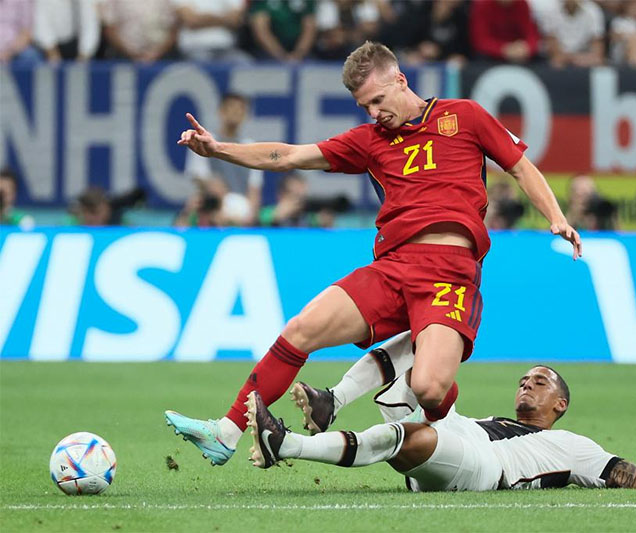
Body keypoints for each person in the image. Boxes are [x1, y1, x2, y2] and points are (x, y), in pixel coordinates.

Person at [165, 41, 581, 466]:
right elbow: (288, 156)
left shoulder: (465, 116)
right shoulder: (369, 141)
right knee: (302, 328)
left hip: (449, 276)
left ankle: (453, 432)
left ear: (400, 80)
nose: (373, 113)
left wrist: (556, 216)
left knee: (429, 388)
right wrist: (219, 150)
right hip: (393, 269)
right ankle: (227, 431)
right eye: (365, 106)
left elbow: (520, 166)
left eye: (378, 100)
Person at [244, 359, 636, 492]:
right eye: (523, 379)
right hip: (463, 432)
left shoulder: (570, 444)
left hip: (487, 469)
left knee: (414, 437)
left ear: (560, 403)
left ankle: (285, 443)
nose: (527, 385)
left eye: (540, 382)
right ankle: (332, 398)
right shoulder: (490, 419)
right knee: (415, 341)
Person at [185, 93, 263, 225]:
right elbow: (200, 179)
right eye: (231, 108)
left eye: (240, 110)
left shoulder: (251, 146)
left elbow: (254, 190)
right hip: (211, 211)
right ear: (221, 111)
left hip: (241, 212)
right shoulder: (204, 141)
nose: (235, 113)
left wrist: (249, 218)